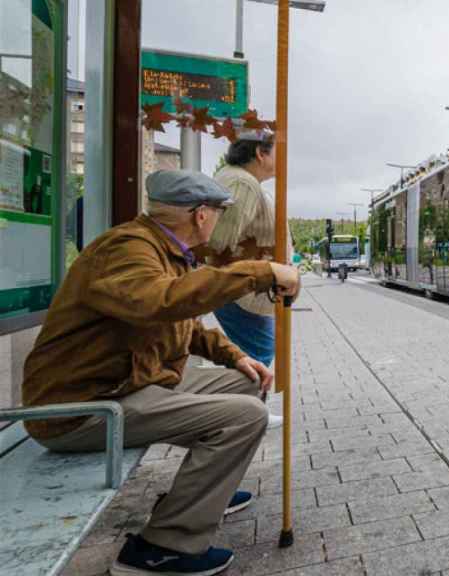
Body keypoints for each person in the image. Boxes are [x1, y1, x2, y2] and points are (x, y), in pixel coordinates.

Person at [21, 170, 300, 576]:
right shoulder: (126, 249)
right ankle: (164, 546)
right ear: (201, 215)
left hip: (132, 378)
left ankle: (201, 493)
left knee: (247, 380)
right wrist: (263, 271)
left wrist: (235, 356)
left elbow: (183, 323)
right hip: (85, 405)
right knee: (246, 417)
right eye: (220, 212)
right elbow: (163, 302)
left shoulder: (162, 249)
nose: (220, 220)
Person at [200, 130, 292, 368]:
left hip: (245, 288)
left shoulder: (238, 179)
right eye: (279, 153)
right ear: (261, 154)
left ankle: (247, 401)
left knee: (254, 357)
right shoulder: (243, 183)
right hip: (243, 291)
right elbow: (219, 241)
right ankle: (245, 404)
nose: (284, 160)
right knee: (255, 361)